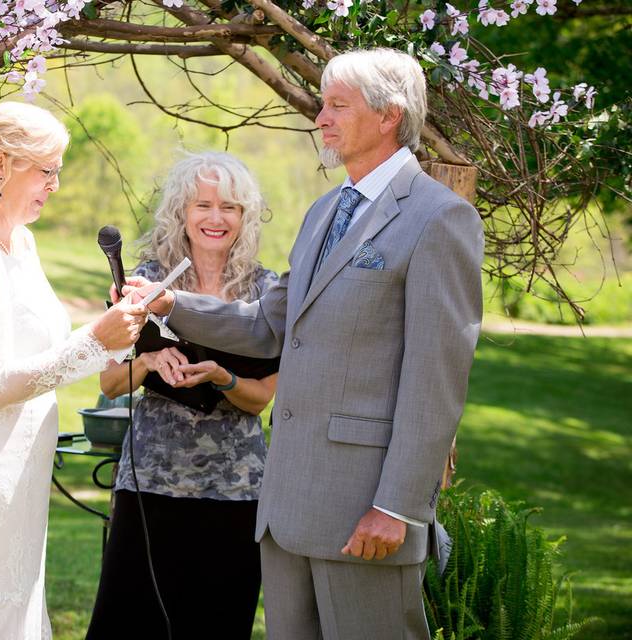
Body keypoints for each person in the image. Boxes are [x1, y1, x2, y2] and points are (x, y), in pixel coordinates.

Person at [122, 48, 484, 639]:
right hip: (285, 513)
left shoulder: (439, 218)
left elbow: (435, 380)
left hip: (365, 512)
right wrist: (171, 304)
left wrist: (396, 506)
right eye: (323, 104)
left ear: (388, 115)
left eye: (337, 105)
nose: (321, 118)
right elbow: (269, 324)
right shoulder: (323, 212)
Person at [0, 101, 148, 639]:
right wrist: (94, 340)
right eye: (47, 169)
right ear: (2, 166)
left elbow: (45, 349)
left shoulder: (20, 242)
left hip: (22, 469)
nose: (56, 184)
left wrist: (111, 325)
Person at [86, 152, 278, 640]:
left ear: (245, 217)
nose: (216, 218)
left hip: (236, 489)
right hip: (151, 483)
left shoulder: (267, 291)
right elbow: (109, 383)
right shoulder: (146, 280)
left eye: (230, 207)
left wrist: (222, 377)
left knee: (216, 624)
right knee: (130, 623)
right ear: (182, 212)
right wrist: (150, 361)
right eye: (204, 205)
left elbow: (261, 400)